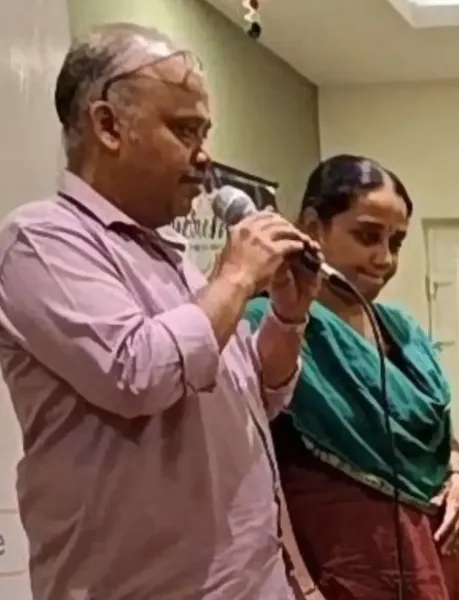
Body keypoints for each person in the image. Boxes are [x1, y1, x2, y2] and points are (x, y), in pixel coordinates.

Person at [0, 23, 322, 600]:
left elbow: (254, 397)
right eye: (184, 129)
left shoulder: (172, 253)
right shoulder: (39, 240)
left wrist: (287, 319)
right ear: (108, 126)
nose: (205, 156)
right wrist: (236, 276)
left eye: (204, 132)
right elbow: (138, 376)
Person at [244, 155, 459, 600]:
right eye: (367, 236)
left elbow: (437, 433)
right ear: (313, 227)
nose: (384, 258)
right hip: (346, 564)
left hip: (434, 556)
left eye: (396, 242)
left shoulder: (400, 329)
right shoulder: (270, 326)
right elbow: (254, 473)